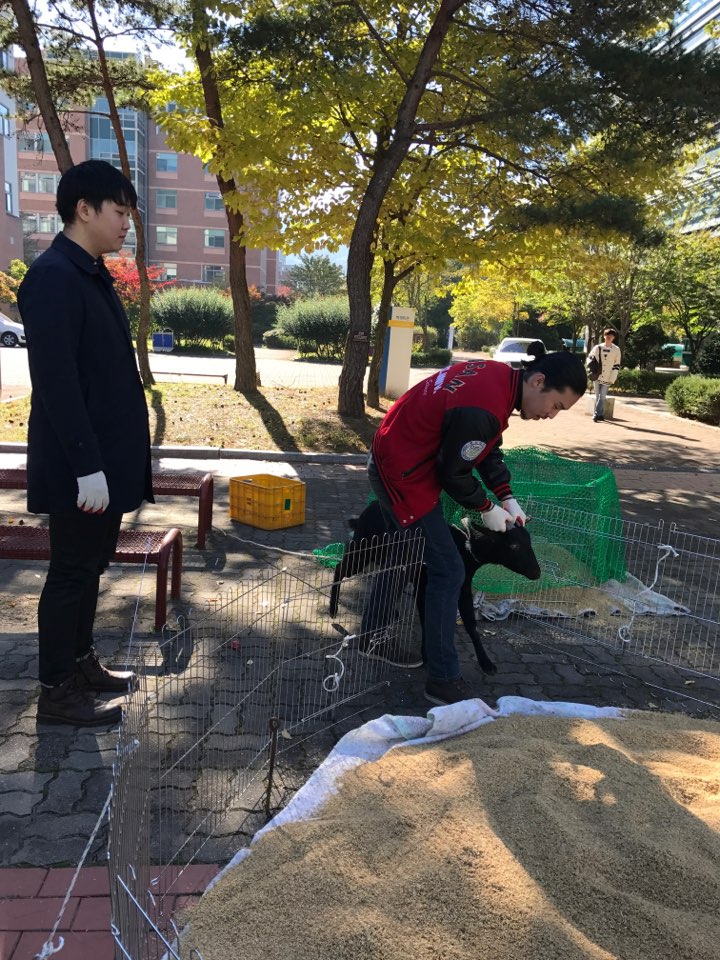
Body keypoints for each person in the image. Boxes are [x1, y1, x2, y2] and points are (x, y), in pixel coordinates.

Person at [366, 343, 587, 706]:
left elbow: (487, 447)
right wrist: (486, 507)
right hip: (402, 471)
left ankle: (371, 636)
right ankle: (442, 680)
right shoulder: (484, 406)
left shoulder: (499, 379)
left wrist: (506, 496)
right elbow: (453, 473)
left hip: (401, 456)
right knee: (449, 570)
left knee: (407, 551)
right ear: (538, 381)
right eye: (556, 406)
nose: (551, 416)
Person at [18, 160, 154, 727]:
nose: (126, 224)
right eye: (119, 212)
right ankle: (56, 690)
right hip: (81, 465)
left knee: (90, 568)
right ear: (84, 209)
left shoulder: (90, 272)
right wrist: (86, 465)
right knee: (70, 572)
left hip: (105, 463)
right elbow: (57, 382)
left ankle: (80, 663)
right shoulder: (53, 276)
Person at [587, 328, 621, 422]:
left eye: (611, 335)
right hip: (597, 375)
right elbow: (589, 357)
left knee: (602, 396)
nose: (609, 337)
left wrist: (613, 377)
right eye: (607, 335)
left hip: (608, 376)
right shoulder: (598, 347)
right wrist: (591, 365)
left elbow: (617, 365)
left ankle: (596, 414)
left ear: (614, 337)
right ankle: (599, 414)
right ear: (604, 336)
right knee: (598, 396)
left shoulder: (616, 350)